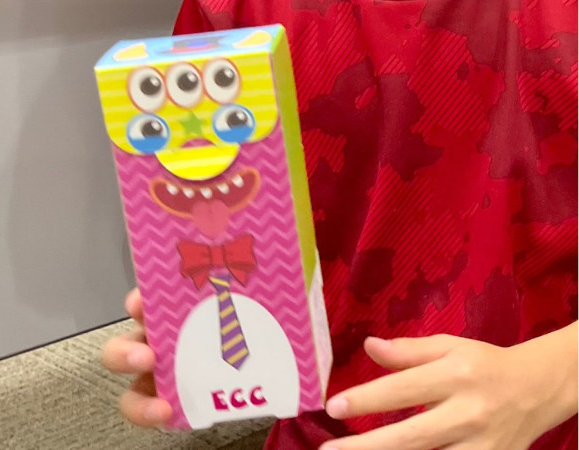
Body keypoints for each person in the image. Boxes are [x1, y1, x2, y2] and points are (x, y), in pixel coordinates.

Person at [101, 0, 579, 448]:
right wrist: (199, 329)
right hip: (328, 424)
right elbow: (217, 211)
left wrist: (552, 377)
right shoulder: (231, 14)